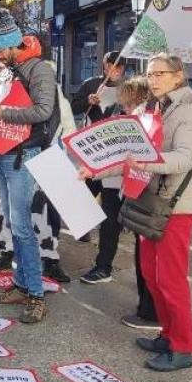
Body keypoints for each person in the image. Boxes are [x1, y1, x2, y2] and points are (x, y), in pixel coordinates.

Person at [84, 54, 192, 371]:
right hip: (149, 199)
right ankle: (168, 335)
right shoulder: (154, 108)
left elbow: (185, 158)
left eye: (161, 73)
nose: (153, 79)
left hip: (174, 206)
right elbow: (130, 156)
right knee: (152, 277)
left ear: (178, 76)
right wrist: (94, 171)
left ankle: (183, 347)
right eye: (150, 73)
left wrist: (146, 163)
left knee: (170, 280)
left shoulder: (190, 110)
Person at [0, 9, 59, 324]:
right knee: (14, 224)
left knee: (23, 227)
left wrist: (0, 112)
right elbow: (3, 105)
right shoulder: (9, 69)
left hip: (23, 154)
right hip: (2, 152)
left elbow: (42, 111)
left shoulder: (39, 69)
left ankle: (35, 295)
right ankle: (23, 284)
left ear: (14, 44)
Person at [113, 76, 161, 331]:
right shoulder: (144, 118)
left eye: (127, 103)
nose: (124, 108)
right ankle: (147, 307)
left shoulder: (149, 120)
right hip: (140, 193)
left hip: (151, 197)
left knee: (151, 261)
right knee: (144, 257)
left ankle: (151, 312)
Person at [70, 51, 126, 244]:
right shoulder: (91, 84)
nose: (114, 70)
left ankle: (112, 226)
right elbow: (74, 106)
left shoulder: (127, 88)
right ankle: (82, 225)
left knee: (112, 189)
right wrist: (88, 101)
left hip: (116, 147)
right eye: (111, 66)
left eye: (118, 66)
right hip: (92, 145)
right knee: (88, 187)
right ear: (104, 66)